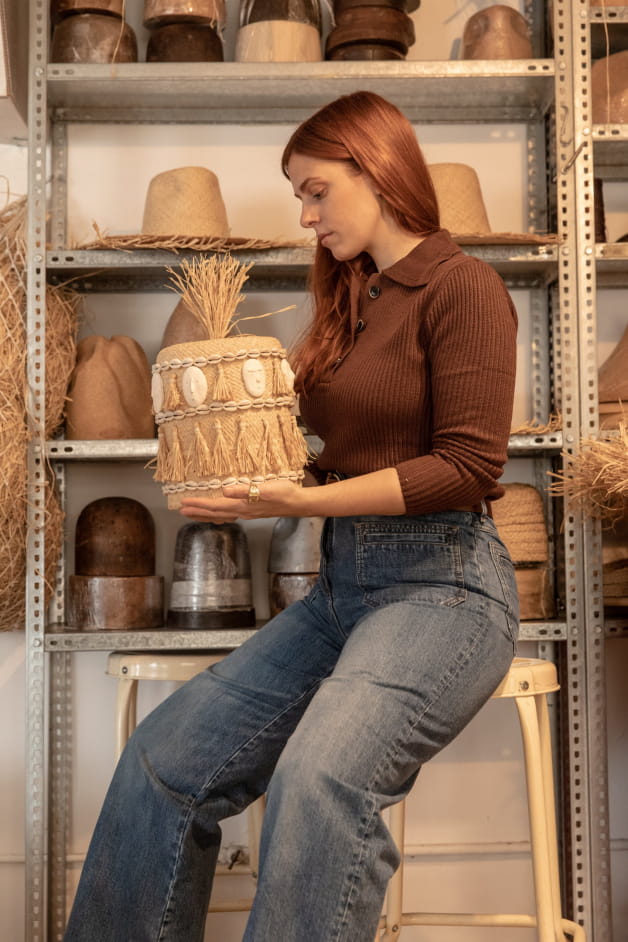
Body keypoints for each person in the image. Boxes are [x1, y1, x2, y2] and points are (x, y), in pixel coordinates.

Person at [64, 90, 519, 942]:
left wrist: (302, 502)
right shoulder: (357, 298)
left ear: (377, 170)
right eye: (300, 196)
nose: (306, 215)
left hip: (445, 588)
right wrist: (251, 481)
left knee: (321, 777)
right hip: (343, 590)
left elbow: (467, 467)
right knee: (165, 761)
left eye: (316, 191)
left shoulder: (464, 287)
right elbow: (340, 454)